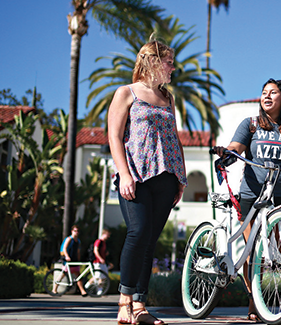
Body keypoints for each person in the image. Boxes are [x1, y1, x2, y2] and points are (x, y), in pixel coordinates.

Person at [213, 78, 281, 322]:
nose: (267, 96)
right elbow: (235, 148)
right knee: (253, 252)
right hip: (253, 194)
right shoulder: (251, 125)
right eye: (264, 92)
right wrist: (225, 153)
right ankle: (255, 303)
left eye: (273, 92)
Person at [108, 40, 187, 325]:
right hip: (136, 175)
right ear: (152, 61)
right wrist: (124, 173)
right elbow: (114, 137)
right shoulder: (126, 93)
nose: (173, 67)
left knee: (150, 241)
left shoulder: (169, 98)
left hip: (166, 178)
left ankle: (141, 306)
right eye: (169, 61)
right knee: (138, 233)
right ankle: (125, 302)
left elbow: (175, 138)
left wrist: (181, 178)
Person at [54, 225, 87, 296]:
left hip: (74, 260)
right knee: (62, 275)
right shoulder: (69, 239)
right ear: (72, 231)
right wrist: (67, 256)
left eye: (78, 231)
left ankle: (82, 291)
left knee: (78, 276)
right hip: (68, 260)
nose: (76, 232)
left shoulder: (78, 241)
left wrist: (78, 259)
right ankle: (55, 289)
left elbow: (78, 251)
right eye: (75, 231)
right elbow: (65, 248)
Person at [85, 229, 111, 294]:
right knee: (97, 276)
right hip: (97, 262)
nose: (108, 236)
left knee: (104, 277)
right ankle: (86, 286)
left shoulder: (104, 243)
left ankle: (100, 290)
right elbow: (95, 251)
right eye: (108, 235)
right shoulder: (98, 241)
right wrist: (100, 258)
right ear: (104, 234)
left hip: (103, 262)